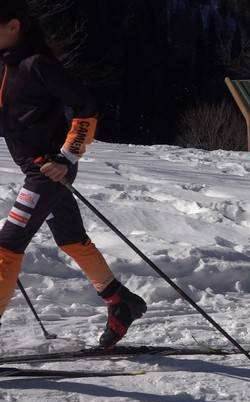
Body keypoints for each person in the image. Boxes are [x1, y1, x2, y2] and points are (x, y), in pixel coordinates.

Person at [0, 0, 146, 348]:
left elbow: (86, 107)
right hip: (33, 170)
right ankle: (120, 301)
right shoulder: (6, 65)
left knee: (7, 246)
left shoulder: (37, 64)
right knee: (71, 240)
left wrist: (66, 159)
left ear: (14, 26)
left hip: (49, 171)